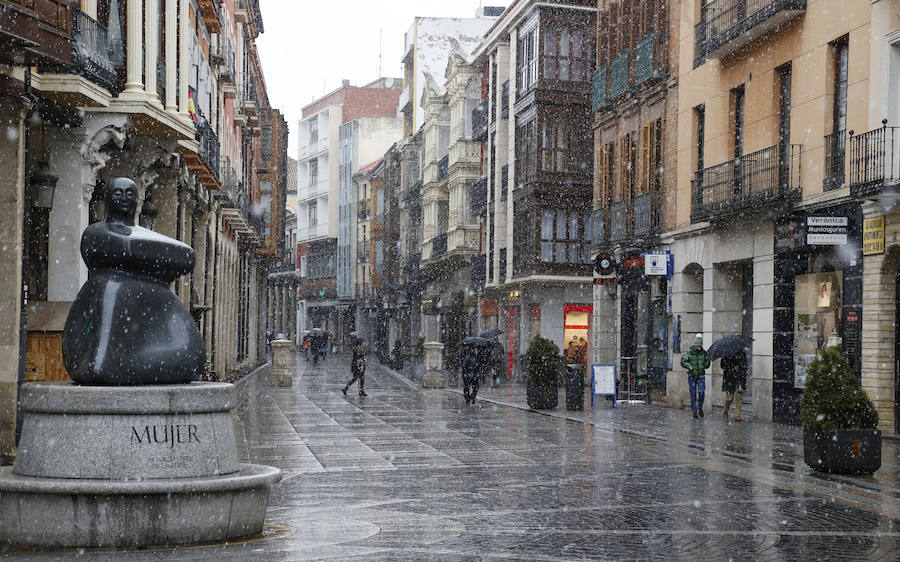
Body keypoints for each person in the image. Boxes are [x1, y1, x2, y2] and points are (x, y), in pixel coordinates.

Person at [680, 333, 710, 418]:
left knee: (701, 392)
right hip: (692, 376)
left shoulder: (704, 353)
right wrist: (689, 366)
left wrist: (707, 362)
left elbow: (707, 365)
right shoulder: (689, 352)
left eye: (700, 346)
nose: (699, 347)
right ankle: (694, 411)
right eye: (697, 346)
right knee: (693, 394)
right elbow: (683, 361)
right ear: (695, 345)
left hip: (701, 376)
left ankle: (700, 408)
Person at [721, 350, 747, 422]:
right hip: (729, 379)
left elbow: (745, 366)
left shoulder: (742, 353)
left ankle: (737, 415)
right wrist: (732, 368)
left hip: (739, 378)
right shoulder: (726, 353)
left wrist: (740, 367)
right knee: (729, 398)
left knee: (739, 397)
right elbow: (722, 365)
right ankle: (725, 410)